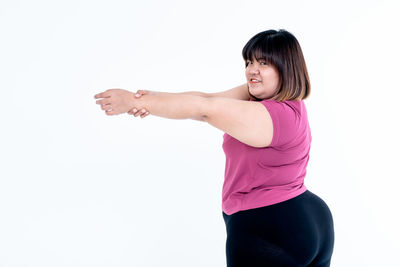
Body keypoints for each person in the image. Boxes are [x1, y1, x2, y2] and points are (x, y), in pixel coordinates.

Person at [94, 29, 335, 267]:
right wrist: (151, 99)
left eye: (263, 63)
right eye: (249, 61)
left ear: (286, 68)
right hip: (309, 219)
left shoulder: (272, 115)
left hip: (269, 228)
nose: (252, 70)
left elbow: (205, 109)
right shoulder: (276, 101)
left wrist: (135, 102)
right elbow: (207, 99)